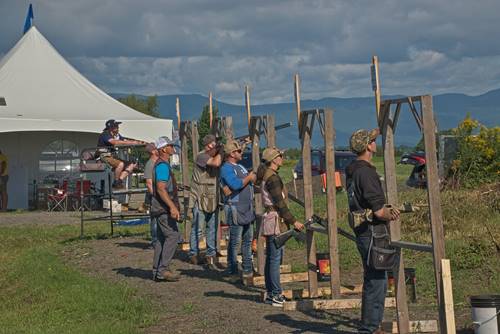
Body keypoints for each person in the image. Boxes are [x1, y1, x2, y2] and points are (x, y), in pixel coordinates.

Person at [346, 128, 400, 334]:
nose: (375, 143)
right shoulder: (366, 172)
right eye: (373, 141)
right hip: (373, 232)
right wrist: (391, 213)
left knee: (373, 279)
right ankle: (370, 328)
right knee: (377, 282)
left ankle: (371, 326)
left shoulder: (353, 169)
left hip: (364, 232)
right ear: (368, 146)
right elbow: (378, 211)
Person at [257, 147, 304, 307]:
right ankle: (276, 294)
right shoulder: (273, 178)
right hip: (276, 219)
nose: (282, 158)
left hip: (272, 218)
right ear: (273, 160)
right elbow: (280, 204)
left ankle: (272, 293)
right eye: (279, 156)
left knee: (272, 258)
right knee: (275, 259)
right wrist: (294, 221)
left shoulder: (268, 175)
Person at [220, 140, 257, 280]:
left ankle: (247, 268)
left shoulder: (240, 167)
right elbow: (235, 184)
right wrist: (249, 177)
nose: (241, 153)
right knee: (235, 241)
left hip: (246, 207)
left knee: (247, 239)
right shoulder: (226, 168)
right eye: (239, 151)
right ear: (232, 154)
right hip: (235, 207)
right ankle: (232, 269)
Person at [188, 134, 223, 267]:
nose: (216, 146)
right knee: (198, 228)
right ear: (209, 145)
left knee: (212, 228)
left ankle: (210, 253)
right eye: (214, 144)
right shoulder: (201, 156)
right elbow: (216, 163)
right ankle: (193, 254)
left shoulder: (214, 154)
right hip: (200, 196)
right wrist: (221, 151)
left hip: (213, 196)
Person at [150, 136, 182, 282]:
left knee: (162, 239)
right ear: (164, 149)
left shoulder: (160, 165)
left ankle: (157, 270)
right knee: (173, 236)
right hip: (163, 208)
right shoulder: (162, 166)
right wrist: (172, 207)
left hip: (159, 207)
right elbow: (161, 189)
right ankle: (163, 270)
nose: (172, 147)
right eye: (169, 145)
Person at [97, 119, 144, 189]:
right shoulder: (105, 134)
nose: (118, 127)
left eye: (117, 125)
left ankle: (119, 181)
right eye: (116, 126)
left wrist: (138, 142)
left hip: (112, 156)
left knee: (132, 165)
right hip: (104, 155)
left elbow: (124, 141)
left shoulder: (117, 135)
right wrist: (132, 143)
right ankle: (116, 183)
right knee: (120, 164)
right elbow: (114, 142)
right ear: (110, 128)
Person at [143, 143, 159, 246]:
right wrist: (155, 196)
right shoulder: (150, 164)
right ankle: (155, 241)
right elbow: (149, 183)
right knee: (155, 219)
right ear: (153, 151)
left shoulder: (157, 163)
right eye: (157, 148)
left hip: (159, 193)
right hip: (154, 195)